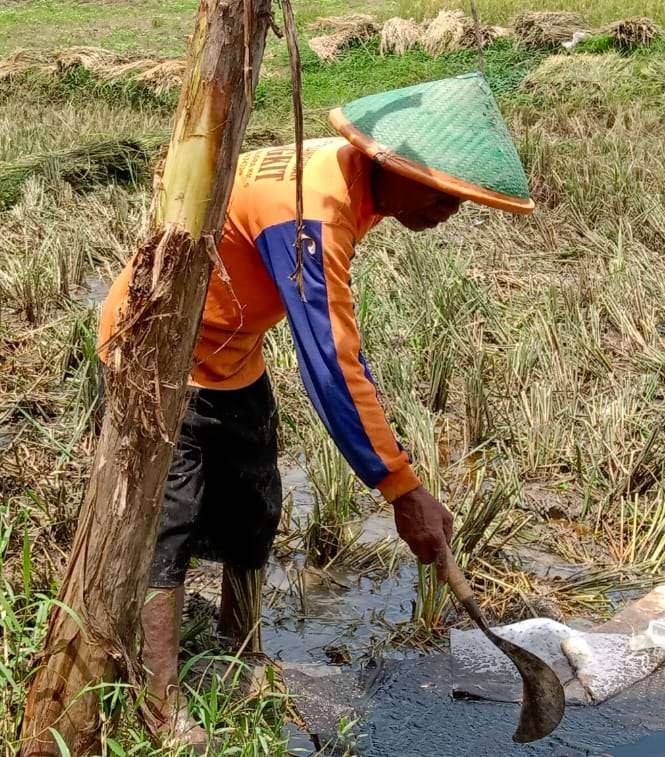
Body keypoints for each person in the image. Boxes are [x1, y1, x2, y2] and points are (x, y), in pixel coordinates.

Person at [96, 73, 536, 745]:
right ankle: (162, 706)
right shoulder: (311, 205)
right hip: (160, 354)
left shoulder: (345, 175)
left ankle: (242, 649)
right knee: (171, 525)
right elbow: (330, 361)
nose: (450, 211)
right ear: (393, 162)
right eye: (443, 193)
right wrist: (402, 487)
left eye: (459, 199)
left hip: (230, 349)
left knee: (255, 501)